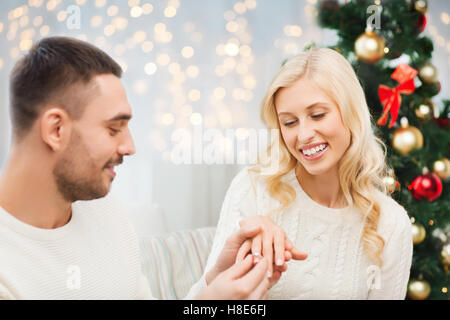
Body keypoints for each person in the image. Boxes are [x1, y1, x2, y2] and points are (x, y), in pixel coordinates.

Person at [0, 36, 302, 300]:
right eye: (113, 128)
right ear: (56, 130)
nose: (129, 147)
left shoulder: (106, 211)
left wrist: (215, 281)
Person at [189, 48, 413, 299]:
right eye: (289, 122)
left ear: (352, 114)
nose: (304, 135)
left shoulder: (391, 224)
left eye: (317, 115)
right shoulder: (252, 189)